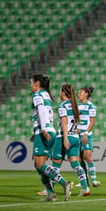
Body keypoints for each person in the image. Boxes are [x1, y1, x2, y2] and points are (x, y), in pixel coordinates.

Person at [30, 74, 72, 202]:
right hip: (50, 131)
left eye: (31, 83)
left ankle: (64, 183)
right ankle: (50, 193)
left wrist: (42, 129)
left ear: (37, 84)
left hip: (44, 132)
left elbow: (42, 111)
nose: (30, 86)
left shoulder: (37, 95)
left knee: (39, 164)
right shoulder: (47, 95)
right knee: (39, 165)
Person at [51, 84, 90, 197]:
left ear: (63, 93)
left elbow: (65, 122)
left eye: (60, 91)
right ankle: (85, 188)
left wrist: (65, 138)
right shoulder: (74, 106)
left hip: (65, 137)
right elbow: (75, 122)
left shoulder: (63, 106)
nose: (59, 93)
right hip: (75, 138)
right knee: (76, 165)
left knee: (55, 165)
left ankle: (49, 189)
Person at [77, 86, 101, 188]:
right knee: (79, 159)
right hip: (77, 135)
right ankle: (84, 180)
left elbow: (92, 122)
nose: (79, 94)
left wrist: (86, 133)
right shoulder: (77, 106)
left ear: (86, 94)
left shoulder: (91, 106)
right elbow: (76, 120)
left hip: (86, 135)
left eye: (81, 92)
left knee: (88, 157)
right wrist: (75, 128)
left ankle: (94, 180)